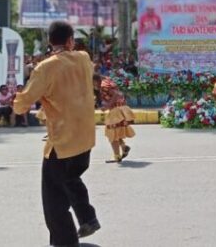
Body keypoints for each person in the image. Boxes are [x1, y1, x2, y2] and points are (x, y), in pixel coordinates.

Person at [13, 20, 100, 246]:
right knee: (70, 179)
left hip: (62, 142)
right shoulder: (83, 58)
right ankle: (87, 217)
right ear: (71, 40)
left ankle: (66, 240)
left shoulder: (46, 68)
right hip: (85, 139)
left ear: (50, 42)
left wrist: (20, 102)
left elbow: (23, 103)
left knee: (53, 199)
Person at [100, 77, 135, 162]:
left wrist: (106, 106)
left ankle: (117, 156)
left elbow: (114, 96)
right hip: (121, 110)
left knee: (112, 134)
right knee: (116, 133)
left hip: (115, 112)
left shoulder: (103, 85)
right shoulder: (110, 82)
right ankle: (123, 147)